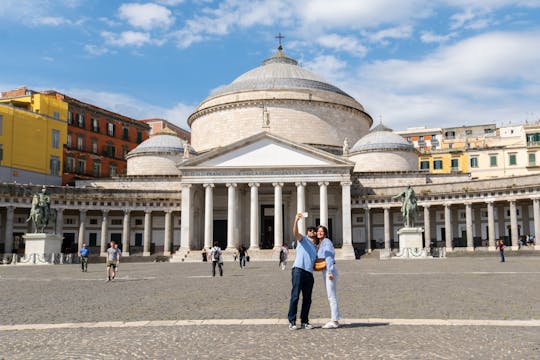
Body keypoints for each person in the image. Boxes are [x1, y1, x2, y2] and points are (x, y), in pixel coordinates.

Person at [287, 213, 317, 330]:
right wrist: (296, 220)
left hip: (309, 273)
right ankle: (292, 321)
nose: (311, 231)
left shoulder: (316, 248)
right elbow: (295, 233)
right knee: (295, 296)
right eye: (309, 230)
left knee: (307, 299)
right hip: (298, 270)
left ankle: (304, 321)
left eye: (313, 230)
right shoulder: (303, 239)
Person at [316, 225, 341, 329]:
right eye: (318, 231)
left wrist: (330, 271)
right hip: (325, 270)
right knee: (331, 295)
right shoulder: (321, 243)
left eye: (321, 231)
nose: (319, 233)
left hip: (329, 270)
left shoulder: (326, 242)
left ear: (325, 233)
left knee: (331, 296)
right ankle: (335, 318)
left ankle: (334, 321)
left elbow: (329, 257)